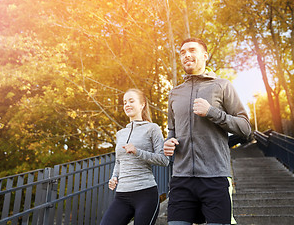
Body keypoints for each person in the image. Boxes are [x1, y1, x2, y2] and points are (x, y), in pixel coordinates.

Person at [163, 38, 251, 225]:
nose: (187, 54)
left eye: (192, 50)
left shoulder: (222, 86)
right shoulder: (174, 93)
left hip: (215, 177)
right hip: (181, 179)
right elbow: (172, 130)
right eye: (183, 52)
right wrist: (169, 143)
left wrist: (212, 112)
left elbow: (245, 128)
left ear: (204, 55)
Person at [100, 88, 169, 225]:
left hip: (145, 193)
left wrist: (138, 152)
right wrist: (114, 177)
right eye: (125, 102)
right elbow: (119, 161)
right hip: (122, 195)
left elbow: (164, 160)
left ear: (142, 104)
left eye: (131, 101)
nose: (127, 105)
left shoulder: (152, 128)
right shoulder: (121, 133)